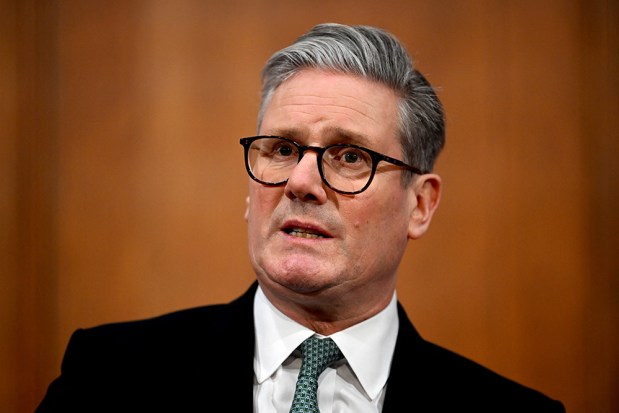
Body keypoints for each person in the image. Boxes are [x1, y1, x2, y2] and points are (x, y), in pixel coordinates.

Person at [36, 23, 564, 412]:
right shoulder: (107, 377)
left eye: (350, 156)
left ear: (420, 205)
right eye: (283, 150)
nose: (301, 182)